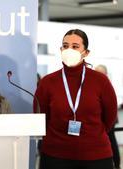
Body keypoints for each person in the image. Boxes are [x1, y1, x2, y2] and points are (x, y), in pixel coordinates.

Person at [34, 29, 117, 169]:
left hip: (96, 156)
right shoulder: (47, 82)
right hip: (55, 156)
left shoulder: (100, 81)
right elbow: (40, 116)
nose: (69, 50)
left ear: (86, 52)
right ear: (60, 49)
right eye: (65, 46)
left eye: (75, 46)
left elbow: (110, 117)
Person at [95, 64, 121, 169]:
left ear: (105, 74)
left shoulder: (107, 85)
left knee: (111, 141)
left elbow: (110, 105)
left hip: (108, 119)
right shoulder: (95, 84)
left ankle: (116, 164)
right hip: (101, 119)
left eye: (100, 73)